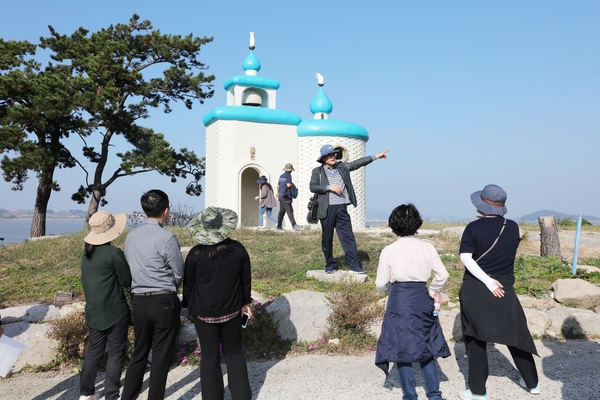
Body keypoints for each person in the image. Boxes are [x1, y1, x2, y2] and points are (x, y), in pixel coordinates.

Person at [458, 184, 540, 399]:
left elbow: (466, 258)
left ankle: (478, 391)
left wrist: (487, 281)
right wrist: (495, 281)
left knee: (476, 337)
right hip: (505, 285)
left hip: (476, 285)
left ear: (481, 205)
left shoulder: (472, 228)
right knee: (516, 334)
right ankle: (532, 383)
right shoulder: (512, 227)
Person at [375, 204, 450, 400]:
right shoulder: (427, 247)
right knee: (426, 347)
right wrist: (433, 290)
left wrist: (388, 289)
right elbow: (443, 274)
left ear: (393, 224)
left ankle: (410, 396)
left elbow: (381, 283)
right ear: (417, 223)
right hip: (421, 298)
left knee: (402, 350)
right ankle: (435, 395)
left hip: (399, 299)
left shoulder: (389, 250)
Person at [183, 206, 253, 400]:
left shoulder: (195, 254)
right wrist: (245, 303)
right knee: (234, 352)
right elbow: (245, 281)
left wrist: (188, 305)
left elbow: (188, 285)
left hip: (203, 313)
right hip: (231, 311)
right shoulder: (238, 250)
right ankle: (241, 396)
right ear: (224, 226)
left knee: (209, 355)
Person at [121, 190, 185, 400]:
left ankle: (128, 397)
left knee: (139, 352)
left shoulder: (131, 237)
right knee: (161, 356)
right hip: (163, 299)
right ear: (166, 210)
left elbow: (131, 267)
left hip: (139, 300)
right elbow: (178, 272)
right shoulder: (167, 237)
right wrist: (171, 287)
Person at [309, 144, 388, 274]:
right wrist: (329, 187)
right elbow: (313, 187)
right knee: (327, 238)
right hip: (326, 209)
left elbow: (358, 163)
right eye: (330, 155)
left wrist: (376, 157)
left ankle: (353, 265)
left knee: (348, 237)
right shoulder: (317, 171)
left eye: (334, 154)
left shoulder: (342, 167)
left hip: (342, 208)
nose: (333, 156)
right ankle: (330, 264)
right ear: (323, 158)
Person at [79, 210, 131, 400]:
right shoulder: (114, 253)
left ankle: (86, 393)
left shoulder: (86, 254)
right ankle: (112, 394)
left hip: (94, 312)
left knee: (94, 352)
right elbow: (126, 279)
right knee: (116, 353)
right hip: (115, 310)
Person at [276, 163, 302, 231]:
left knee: (282, 211)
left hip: (281, 196)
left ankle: (279, 226)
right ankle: (294, 225)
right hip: (286, 196)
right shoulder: (288, 176)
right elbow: (288, 185)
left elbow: (278, 186)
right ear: (291, 170)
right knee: (289, 210)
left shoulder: (281, 176)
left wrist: (278, 193)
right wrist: (292, 185)